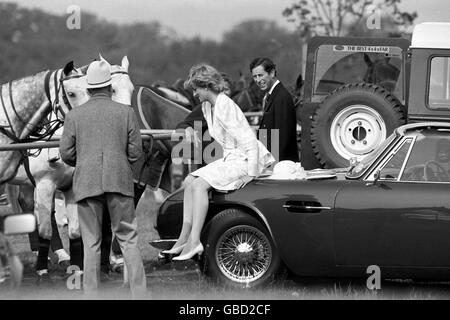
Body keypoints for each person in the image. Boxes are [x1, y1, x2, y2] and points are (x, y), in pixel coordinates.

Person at [163, 64, 275, 261]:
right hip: (230, 157)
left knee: (198, 186)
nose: (195, 94)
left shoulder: (224, 105)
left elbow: (249, 141)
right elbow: (189, 121)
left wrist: (251, 173)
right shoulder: (208, 107)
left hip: (245, 159)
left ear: (206, 86)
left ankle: (195, 241)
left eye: (196, 89)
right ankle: (184, 238)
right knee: (189, 180)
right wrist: (188, 129)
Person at [59, 60, 146, 296]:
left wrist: (85, 161)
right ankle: (139, 293)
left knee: (91, 243)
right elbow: (136, 152)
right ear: (110, 87)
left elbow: (66, 153)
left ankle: (91, 294)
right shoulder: (126, 112)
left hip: (86, 183)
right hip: (119, 180)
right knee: (128, 239)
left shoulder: (74, 116)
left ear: (88, 88)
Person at [250, 57, 299, 162]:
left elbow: (282, 137)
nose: (258, 80)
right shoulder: (272, 96)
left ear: (272, 73)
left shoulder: (282, 97)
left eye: (260, 75)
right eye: (255, 76)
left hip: (280, 166)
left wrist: (273, 166)